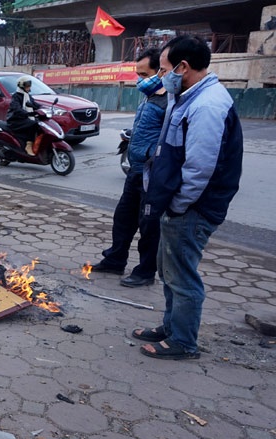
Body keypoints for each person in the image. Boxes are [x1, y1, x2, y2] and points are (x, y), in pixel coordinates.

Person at [136, 35, 244, 360]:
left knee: (182, 276)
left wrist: (179, 206)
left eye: (165, 69)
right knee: (169, 270)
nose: (160, 77)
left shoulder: (208, 105)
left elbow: (200, 168)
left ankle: (183, 342)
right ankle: (171, 328)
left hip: (192, 209)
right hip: (178, 205)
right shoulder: (187, 96)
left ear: (183, 67)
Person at [91, 48, 167, 288]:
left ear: (161, 72)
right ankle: (115, 260)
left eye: (145, 74)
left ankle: (145, 272)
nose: (140, 79)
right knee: (123, 218)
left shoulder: (170, 103)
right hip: (135, 170)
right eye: (138, 74)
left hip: (151, 173)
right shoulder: (149, 97)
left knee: (149, 225)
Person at [6, 75, 42, 156]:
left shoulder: (28, 96)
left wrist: (44, 108)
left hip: (25, 118)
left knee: (41, 124)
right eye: (27, 85)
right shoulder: (16, 96)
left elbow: (35, 104)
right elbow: (17, 109)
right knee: (33, 124)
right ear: (21, 85)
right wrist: (27, 113)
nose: (29, 87)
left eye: (29, 85)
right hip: (15, 120)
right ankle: (28, 146)